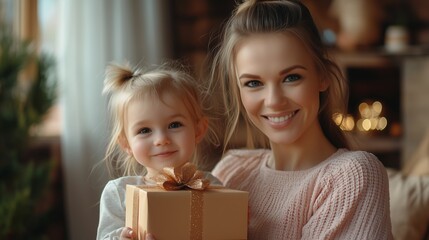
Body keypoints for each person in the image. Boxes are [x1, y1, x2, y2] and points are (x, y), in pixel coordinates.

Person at [204, 0, 393, 239]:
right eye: (253, 83)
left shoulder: (353, 176)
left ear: (323, 75)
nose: (273, 100)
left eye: (291, 77)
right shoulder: (231, 172)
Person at [96, 62, 220, 240]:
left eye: (174, 125)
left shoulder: (210, 185)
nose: (161, 139)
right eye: (144, 130)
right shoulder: (119, 192)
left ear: (198, 130)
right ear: (126, 144)